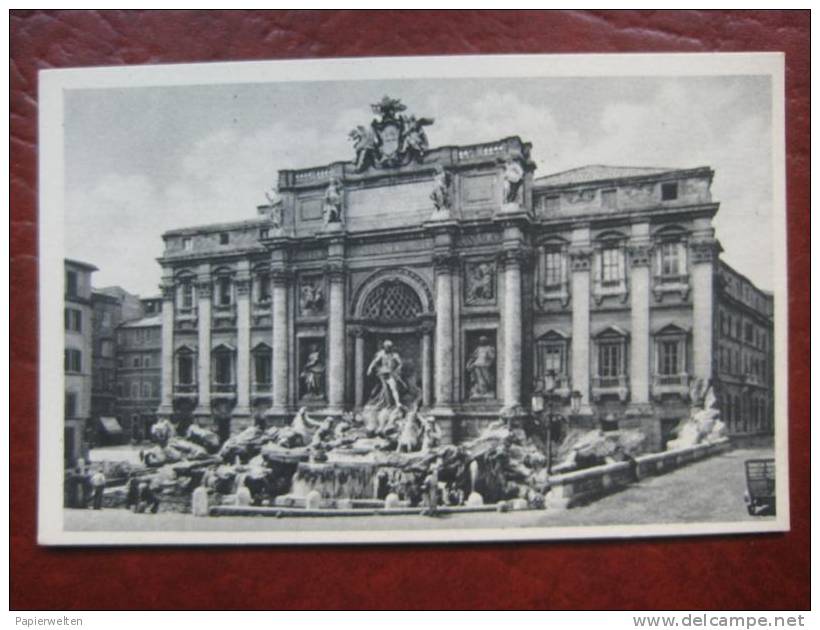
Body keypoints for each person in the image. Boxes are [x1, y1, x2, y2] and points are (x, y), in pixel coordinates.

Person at [366, 339, 404, 407]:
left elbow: (400, 363)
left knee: (393, 387)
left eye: (388, 347)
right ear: (384, 347)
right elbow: (375, 361)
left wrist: (398, 370)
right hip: (383, 373)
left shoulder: (395, 355)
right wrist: (370, 368)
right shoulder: (381, 353)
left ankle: (397, 402)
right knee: (385, 389)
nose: (387, 348)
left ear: (391, 347)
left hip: (390, 373)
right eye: (386, 346)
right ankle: (388, 403)